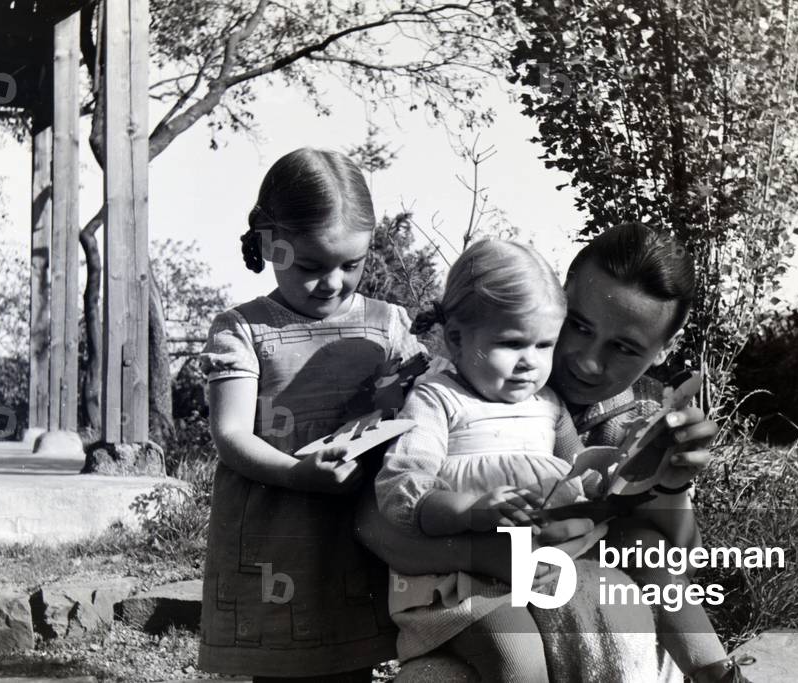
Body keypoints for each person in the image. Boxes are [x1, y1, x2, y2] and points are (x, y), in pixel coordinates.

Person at [357, 222, 748, 683]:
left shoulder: (643, 414)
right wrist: (485, 554)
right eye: (577, 326)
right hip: (486, 610)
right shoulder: (449, 386)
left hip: (597, 626)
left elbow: (670, 556)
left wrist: (672, 479)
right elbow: (375, 520)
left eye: (623, 348)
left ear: (666, 350)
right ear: (560, 299)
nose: (585, 360)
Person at [197, 147, 423, 682]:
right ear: (272, 244)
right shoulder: (244, 330)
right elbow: (230, 435)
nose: (334, 282)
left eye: (353, 264)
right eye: (312, 266)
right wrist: (299, 473)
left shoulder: (387, 324)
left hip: (357, 529)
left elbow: (418, 408)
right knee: (285, 661)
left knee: (353, 661)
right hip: (279, 533)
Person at [374, 239, 596, 682]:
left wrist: (617, 465)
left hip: (542, 569)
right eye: (512, 343)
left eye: (544, 344)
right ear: (456, 339)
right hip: (461, 584)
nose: (529, 363)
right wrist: (472, 511)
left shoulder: (548, 404)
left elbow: (582, 473)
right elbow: (403, 490)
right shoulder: (438, 399)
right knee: (519, 661)